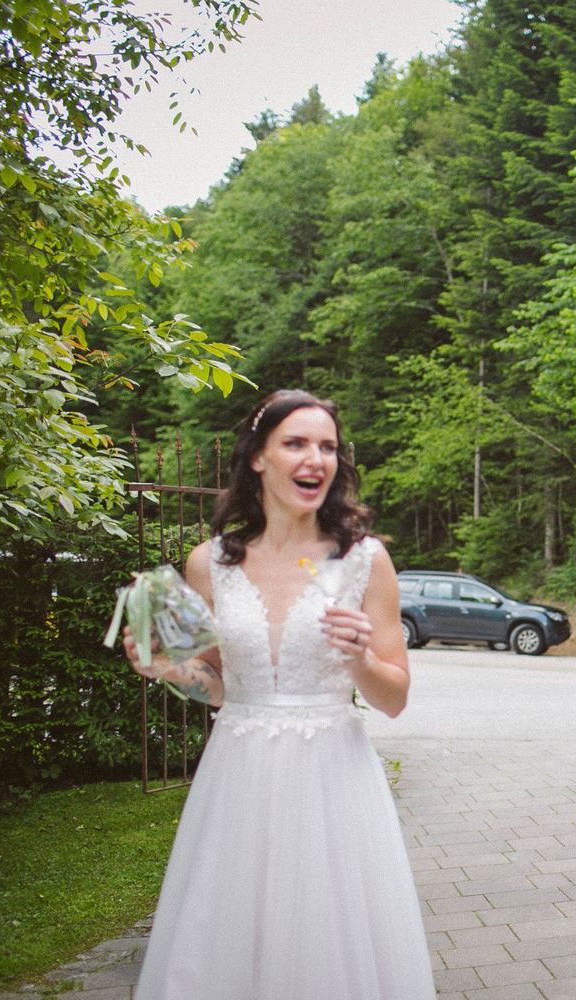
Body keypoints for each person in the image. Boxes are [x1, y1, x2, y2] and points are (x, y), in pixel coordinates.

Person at [122, 390, 435, 1000]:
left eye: (327, 447)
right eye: (295, 443)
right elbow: (215, 687)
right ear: (258, 458)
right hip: (238, 777)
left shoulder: (365, 561)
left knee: (328, 941)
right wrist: (167, 669)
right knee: (230, 939)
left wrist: (361, 658)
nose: (315, 458)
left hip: (333, 782)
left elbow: (394, 698)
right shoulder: (208, 563)